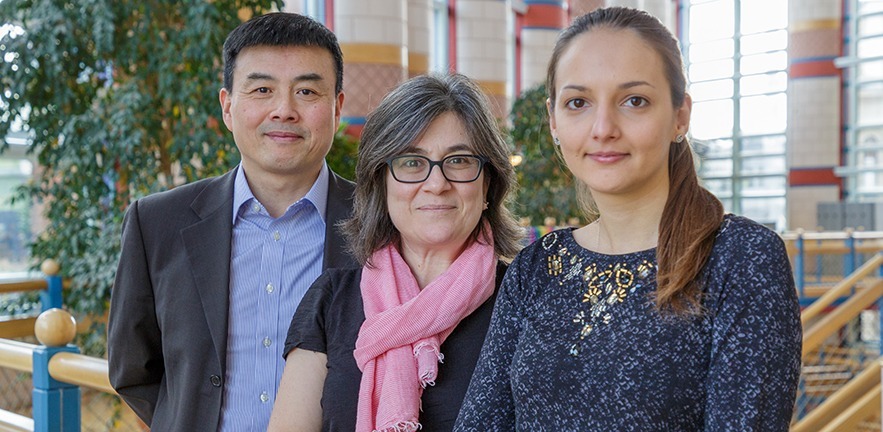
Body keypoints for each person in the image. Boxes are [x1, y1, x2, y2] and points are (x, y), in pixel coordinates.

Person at [455, 7, 801, 431]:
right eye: (578, 102)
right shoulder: (537, 267)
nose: (603, 127)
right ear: (554, 121)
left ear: (680, 116)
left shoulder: (741, 259)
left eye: (634, 101)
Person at [107, 12, 354, 432]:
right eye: (262, 89)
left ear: (336, 107)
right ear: (227, 106)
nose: (284, 110)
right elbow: (133, 370)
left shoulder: (382, 221)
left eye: (307, 91)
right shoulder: (156, 223)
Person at [266, 73, 523, 432]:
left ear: (488, 185)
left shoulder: (526, 299)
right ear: (380, 183)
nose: (436, 184)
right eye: (411, 163)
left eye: (460, 161)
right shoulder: (331, 300)